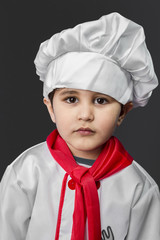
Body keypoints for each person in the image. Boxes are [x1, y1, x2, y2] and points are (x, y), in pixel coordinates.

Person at [0, 12, 160, 240]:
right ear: (51, 107)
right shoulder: (26, 172)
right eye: (71, 99)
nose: (85, 115)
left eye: (101, 100)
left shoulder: (139, 189)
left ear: (123, 112)